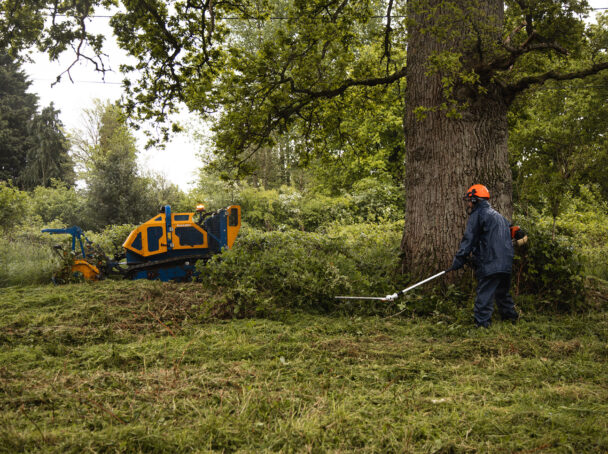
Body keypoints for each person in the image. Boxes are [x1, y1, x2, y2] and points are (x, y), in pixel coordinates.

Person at [447, 184, 519, 328]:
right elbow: (511, 231)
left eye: (469, 200)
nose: (468, 203)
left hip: (491, 261)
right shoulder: (500, 217)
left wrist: (459, 258)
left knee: (484, 294)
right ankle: (511, 319)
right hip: (506, 262)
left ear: (475, 200)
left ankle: (482, 325)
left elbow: (469, 239)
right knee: (502, 292)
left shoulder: (478, 215)